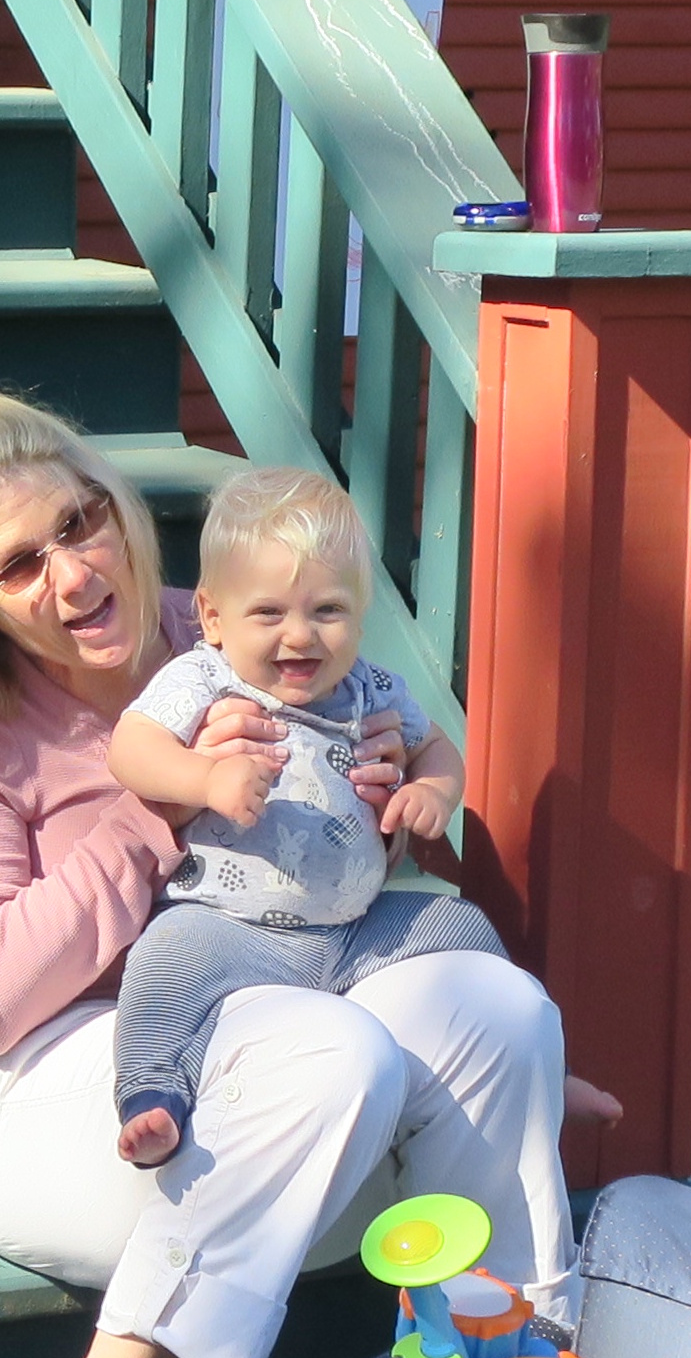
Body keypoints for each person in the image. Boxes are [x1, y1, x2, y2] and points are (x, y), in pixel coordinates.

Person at [0, 391, 600, 1358]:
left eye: (79, 522)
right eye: (19, 564)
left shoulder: (235, 620)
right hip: (51, 1086)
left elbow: (348, 841)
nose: (74, 573)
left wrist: (379, 788)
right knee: (329, 1049)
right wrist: (161, 807)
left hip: (280, 1040)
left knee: (495, 1010)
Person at [103, 466, 504, 1168]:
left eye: (328, 610)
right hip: (229, 928)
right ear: (213, 617)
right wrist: (205, 776)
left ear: (359, 614)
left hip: (356, 930)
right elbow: (131, 749)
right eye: (268, 613)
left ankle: (536, 1067)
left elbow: (435, 746)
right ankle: (152, 1092)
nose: (301, 635)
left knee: (465, 927)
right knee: (163, 961)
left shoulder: (369, 687)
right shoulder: (204, 677)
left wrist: (433, 793)